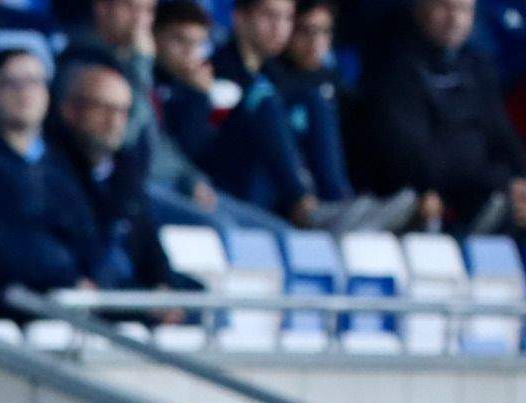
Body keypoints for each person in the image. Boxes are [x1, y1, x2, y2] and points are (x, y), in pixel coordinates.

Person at [0, 50, 102, 319]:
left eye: (34, 82)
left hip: (67, 302)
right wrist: (64, 277)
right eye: (11, 83)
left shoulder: (64, 162)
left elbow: (87, 234)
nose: (25, 93)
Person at [358, 0, 526, 232]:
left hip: (489, 192)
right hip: (428, 205)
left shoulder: (477, 67)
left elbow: (503, 136)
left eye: (464, 10)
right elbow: (415, 161)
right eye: (445, 7)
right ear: (419, 8)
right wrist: (502, 182)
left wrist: (520, 182)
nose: (455, 20)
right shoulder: (393, 67)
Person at [151, 0, 315, 224]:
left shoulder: (275, 76)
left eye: (198, 44)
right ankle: (303, 203)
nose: (190, 53)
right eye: (180, 41)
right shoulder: (212, 76)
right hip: (196, 185)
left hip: (226, 186)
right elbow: (196, 146)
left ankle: (318, 202)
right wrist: (199, 98)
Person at [60, 0, 213, 205]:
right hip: (115, 193)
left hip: (163, 184)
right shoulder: (84, 60)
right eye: (130, 7)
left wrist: (189, 176)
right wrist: (142, 61)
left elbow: (157, 139)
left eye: (148, 10)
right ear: (103, 7)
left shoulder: (129, 61)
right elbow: (123, 137)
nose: (140, 19)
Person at [50, 57, 178, 293]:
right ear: (70, 110)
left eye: (122, 112)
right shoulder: (48, 170)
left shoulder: (127, 170)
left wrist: (162, 284)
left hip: (132, 294)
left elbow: (148, 240)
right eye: (103, 108)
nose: (114, 122)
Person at [207, 0, 320, 223]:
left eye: (287, 18)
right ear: (239, 18)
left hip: (272, 189)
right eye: (269, 16)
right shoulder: (213, 70)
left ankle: (334, 202)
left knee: (315, 101)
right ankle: (304, 204)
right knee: (263, 101)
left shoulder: (281, 77)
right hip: (227, 181)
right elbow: (209, 130)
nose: (279, 27)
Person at [276, 0, 354, 206]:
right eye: (306, 31)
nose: (315, 41)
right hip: (286, 190)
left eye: (324, 32)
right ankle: (338, 203)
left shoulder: (332, 80)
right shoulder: (271, 74)